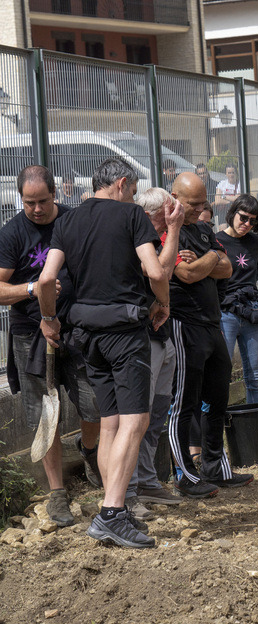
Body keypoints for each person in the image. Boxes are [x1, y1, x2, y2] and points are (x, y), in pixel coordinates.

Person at [37, 157, 170, 548]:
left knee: (110, 424)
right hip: (125, 333)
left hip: (86, 335)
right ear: (123, 183)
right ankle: (112, 513)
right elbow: (156, 271)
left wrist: (49, 318)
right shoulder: (132, 217)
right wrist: (163, 303)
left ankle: (116, 510)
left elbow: (47, 278)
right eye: (132, 189)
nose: (131, 195)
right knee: (135, 422)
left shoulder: (67, 221)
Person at [0, 166, 101, 527]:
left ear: (55, 194)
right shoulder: (12, 234)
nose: (37, 209)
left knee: (94, 404)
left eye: (43, 201)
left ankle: (89, 451)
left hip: (76, 328)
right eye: (29, 203)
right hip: (31, 334)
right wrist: (33, 288)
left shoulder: (74, 222)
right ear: (20, 199)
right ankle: (57, 493)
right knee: (47, 413)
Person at [167, 172, 252, 499]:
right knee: (183, 403)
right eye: (193, 203)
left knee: (218, 399)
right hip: (184, 325)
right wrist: (210, 260)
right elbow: (185, 274)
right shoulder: (163, 233)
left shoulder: (202, 230)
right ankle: (185, 475)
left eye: (203, 202)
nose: (201, 209)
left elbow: (227, 267)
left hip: (213, 323)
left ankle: (216, 466)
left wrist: (209, 258)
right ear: (174, 197)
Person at [126, 187, 186, 520]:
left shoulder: (159, 240)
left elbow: (169, 269)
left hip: (163, 337)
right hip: (143, 338)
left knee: (157, 414)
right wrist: (175, 232)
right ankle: (129, 489)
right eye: (169, 209)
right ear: (152, 213)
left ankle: (148, 480)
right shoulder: (140, 241)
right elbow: (160, 274)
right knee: (138, 416)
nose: (176, 212)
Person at [216, 194, 258, 404]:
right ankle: (216, 429)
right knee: (220, 376)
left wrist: (249, 285)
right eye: (243, 218)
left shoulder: (256, 243)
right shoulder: (217, 241)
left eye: (253, 221)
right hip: (225, 313)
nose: (247, 224)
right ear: (233, 212)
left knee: (255, 377)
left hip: (251, 312)